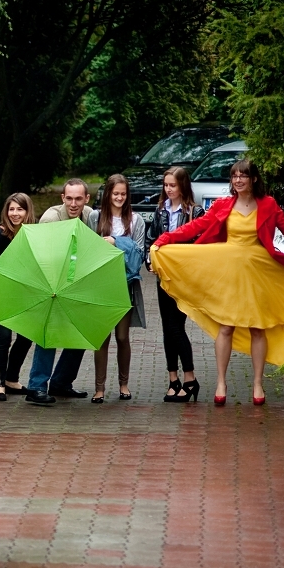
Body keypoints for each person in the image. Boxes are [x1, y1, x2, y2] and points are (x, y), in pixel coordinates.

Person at [152, 159, 284, 405]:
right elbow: (196, 227)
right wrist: (166, 239)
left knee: (257, 327)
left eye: (243, 175)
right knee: (226, 327)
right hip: (228, 271)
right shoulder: (223, 205)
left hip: (258, 271)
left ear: (253, 178)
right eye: (234, 176)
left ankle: (257, 384)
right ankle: (221, 382)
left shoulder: (268, 205)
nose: (238, 180)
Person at [26, 178, 94, 405]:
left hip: (77, 283)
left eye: (78, 199)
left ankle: (61, 382)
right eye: (69, 199)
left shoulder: (90, 216)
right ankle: (36, 386)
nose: (73, 204)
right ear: (62, 198)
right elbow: (44, 257)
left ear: (86, 199)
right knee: (50, 334)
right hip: (51, 283)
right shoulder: (51, 219)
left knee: (84, 330)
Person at [87, 174, 146, 402]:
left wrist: (115, 242)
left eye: (123, 194)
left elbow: (139, 254)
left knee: (122, 337)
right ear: (108, 194)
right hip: (101, 286)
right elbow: (87, 249)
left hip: (125, 285)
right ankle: (99, 388)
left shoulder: (136, 220)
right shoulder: (94, 217)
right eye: (116, 193)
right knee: (101, 338)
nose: (120, 197)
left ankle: (124, 384)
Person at [149, 167, 205, 402]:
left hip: (183, 279)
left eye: (173, 185)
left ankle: (190, 377)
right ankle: (174, 380)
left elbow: (202, 245)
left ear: (183, 186)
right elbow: (151, 239)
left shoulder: (196, 211)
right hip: (163, 277)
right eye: (166, 185)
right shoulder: (160, 211)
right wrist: (149, 260)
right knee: (166, 328)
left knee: (175, 327)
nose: (168, 189)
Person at [0, 192, 35, 400]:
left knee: (26, 336)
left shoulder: (32, 235)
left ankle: (12, 379)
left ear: (27, 211)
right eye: (11, 209)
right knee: (3, 337)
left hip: (24, 293)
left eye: (19, 209)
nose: (15, 213)